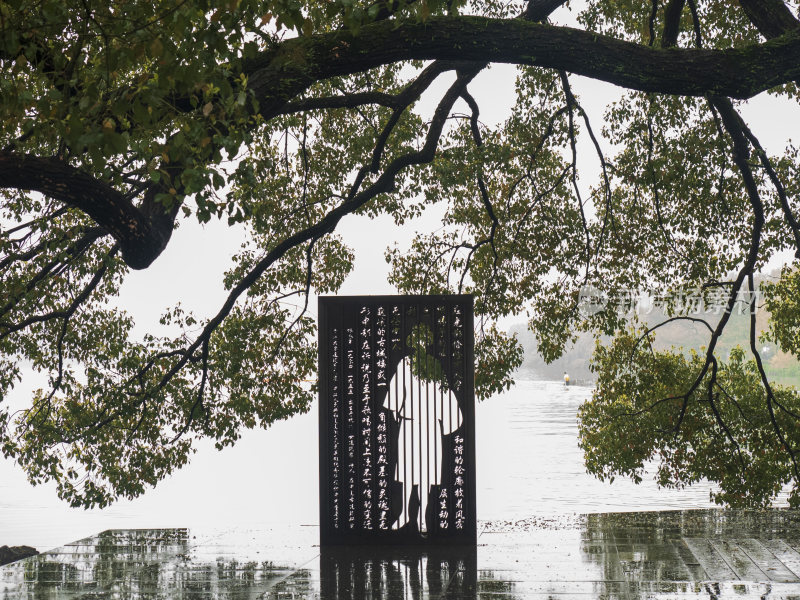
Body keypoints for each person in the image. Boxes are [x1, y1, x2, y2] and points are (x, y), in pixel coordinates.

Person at [383, 355, 461, 532]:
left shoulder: (434, 365)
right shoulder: (405, 363)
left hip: (429, 424)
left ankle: (421, 517)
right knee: (407, 472)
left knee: (426, 473)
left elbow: (445, 393)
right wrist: (397, 409)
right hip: (410, 423)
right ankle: (403, 514)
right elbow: (396, 391)